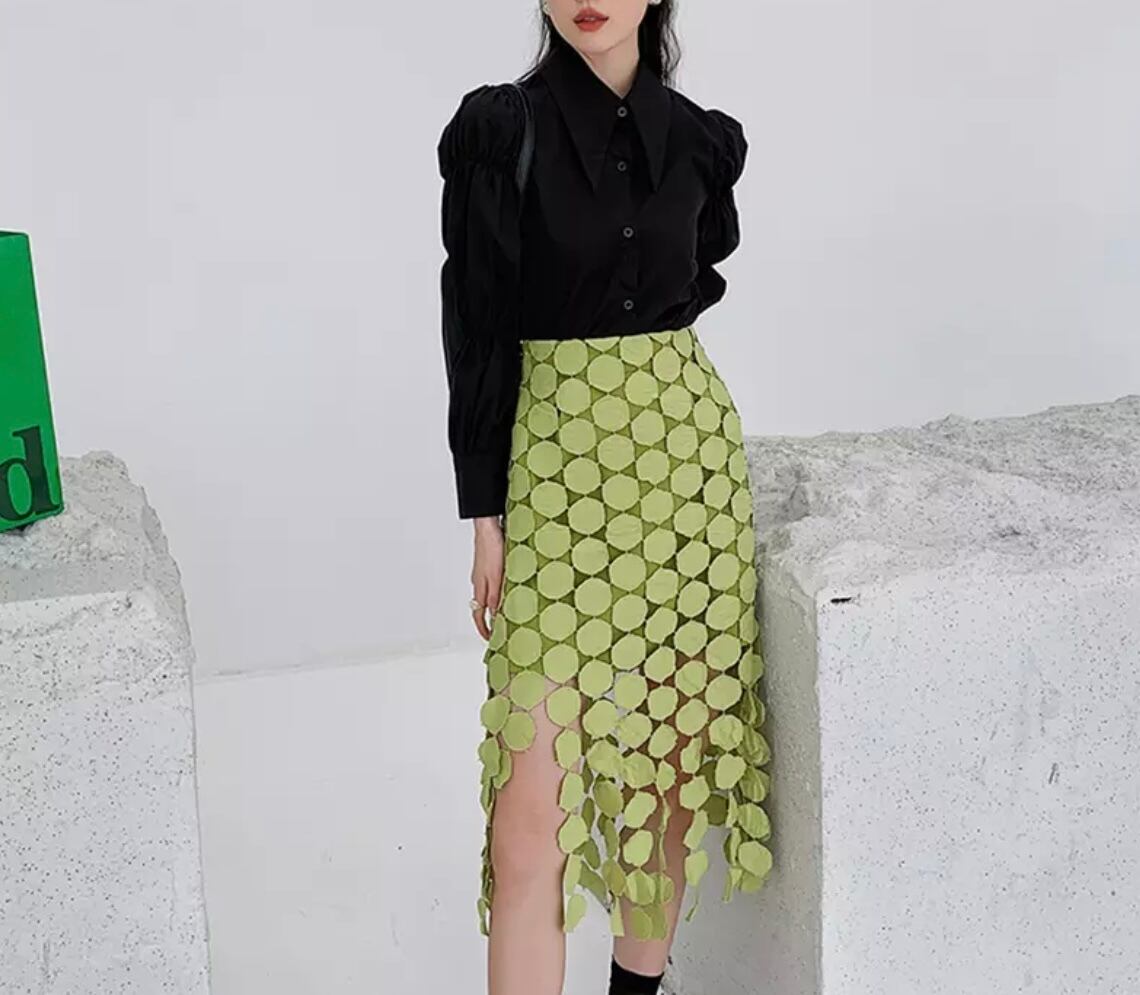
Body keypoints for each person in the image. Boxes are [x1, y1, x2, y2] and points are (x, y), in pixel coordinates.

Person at [436, 3, 773, 993]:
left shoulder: (702, 142)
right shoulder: (503, 132)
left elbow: (695, 278)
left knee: (665, 780)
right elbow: (477, 328)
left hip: (689, 479)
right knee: (527, 818)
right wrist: (485, 513)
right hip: (551, 478)